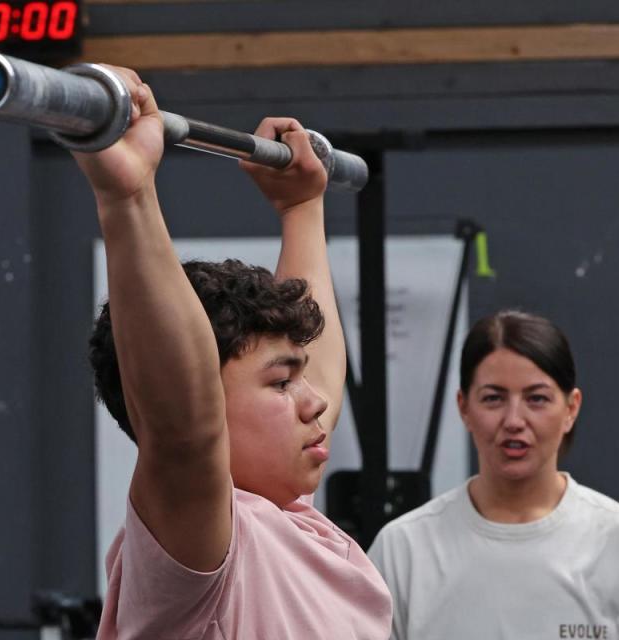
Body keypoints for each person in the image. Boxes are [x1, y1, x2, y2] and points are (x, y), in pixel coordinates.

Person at [77, 65, 392, 639]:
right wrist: (128, 197)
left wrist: (302, 209)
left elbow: (308, 359)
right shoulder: (201, 551)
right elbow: (182, 430)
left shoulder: (295, 526)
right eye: (279, 384)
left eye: (297, 379)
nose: (315, 400)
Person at [368, 310, 619, 640]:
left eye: (537, 398)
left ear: (571, 408)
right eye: (493, 398)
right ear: (464, 407)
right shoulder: (403, 551)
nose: (514, 420)